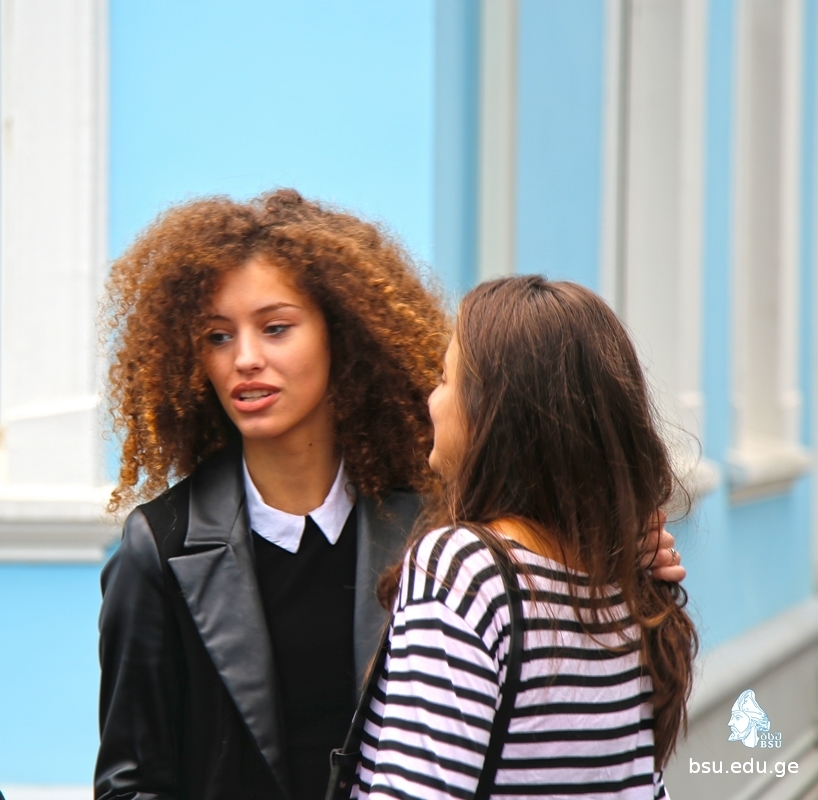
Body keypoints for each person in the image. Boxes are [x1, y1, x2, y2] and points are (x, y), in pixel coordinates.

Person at [95, 190, 685, 800]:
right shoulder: (160, 547)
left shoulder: (443, 526)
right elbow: (127, 785)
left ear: (343, 332)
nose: (244, 358)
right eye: (218, 336)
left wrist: (627, 553)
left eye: (275, 328)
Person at [355, 276, 698, 799]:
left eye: (445, 378)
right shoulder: (628, 588)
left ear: (493, 413)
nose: (431, 399)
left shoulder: (463, 571)